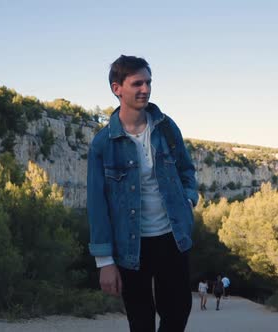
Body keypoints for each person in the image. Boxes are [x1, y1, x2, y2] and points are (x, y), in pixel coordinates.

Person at [87, 55, 198, 332]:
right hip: (129, 245)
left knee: (178, 312)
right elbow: (97, 205)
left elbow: (187, 170)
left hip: (172, 238)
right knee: (141, 321)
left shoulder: (166, 128)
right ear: (117, 89)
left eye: (148, 82)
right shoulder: (103, 144)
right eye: (137, 83)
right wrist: (105, 262)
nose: (145, 89)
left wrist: (188, 199)